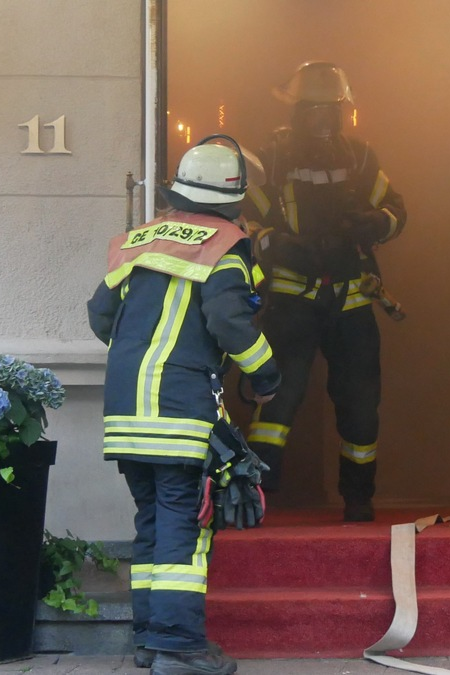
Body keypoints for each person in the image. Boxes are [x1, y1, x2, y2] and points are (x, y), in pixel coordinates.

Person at [87, 134, 280, 675]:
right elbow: (229, 321)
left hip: (125, 409)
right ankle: (179, 647)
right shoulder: (227, 245)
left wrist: (140, 361)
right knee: (184, 521)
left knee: (152, 517)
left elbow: (101, 316)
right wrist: (265, 376)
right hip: (178, 409)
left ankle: (150, 639)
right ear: (235, 198)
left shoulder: (139, 239)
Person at [241, 61, 407, 522]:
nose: (323, 121)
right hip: (290, 301)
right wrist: (278, 245)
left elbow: (396, 208)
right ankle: (257, 497)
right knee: (277, 399)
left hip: (352, 302)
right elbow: (242, 222)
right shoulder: (270, 159)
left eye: (332, 111)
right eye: (313, 110)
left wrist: (377, 222)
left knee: (360, 406)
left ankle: (359, 498)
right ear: (296, 112)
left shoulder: (359, 156)